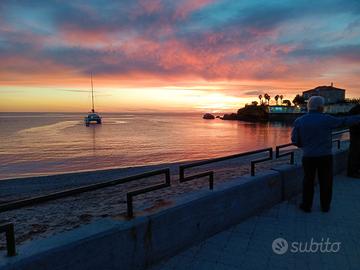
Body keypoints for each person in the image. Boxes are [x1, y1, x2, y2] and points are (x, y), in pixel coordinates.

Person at [291, 96, 360, 213]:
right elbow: (344, 121)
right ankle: (325, 206)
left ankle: (307, 206)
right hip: (325, 157)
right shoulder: (327, 119)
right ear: (320, 107)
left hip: (308, 157)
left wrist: (305, 147)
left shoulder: (299, 121)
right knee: (326, 181)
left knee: (308, 181)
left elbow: (295, 140)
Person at [347, 104, 360, 178]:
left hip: (356, 134)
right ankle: (352, 172)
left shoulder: (354, 109)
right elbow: (352, 123)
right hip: (356, 135)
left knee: (356, 153)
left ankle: (355, 170)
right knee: (355, 153)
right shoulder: (355, 110)